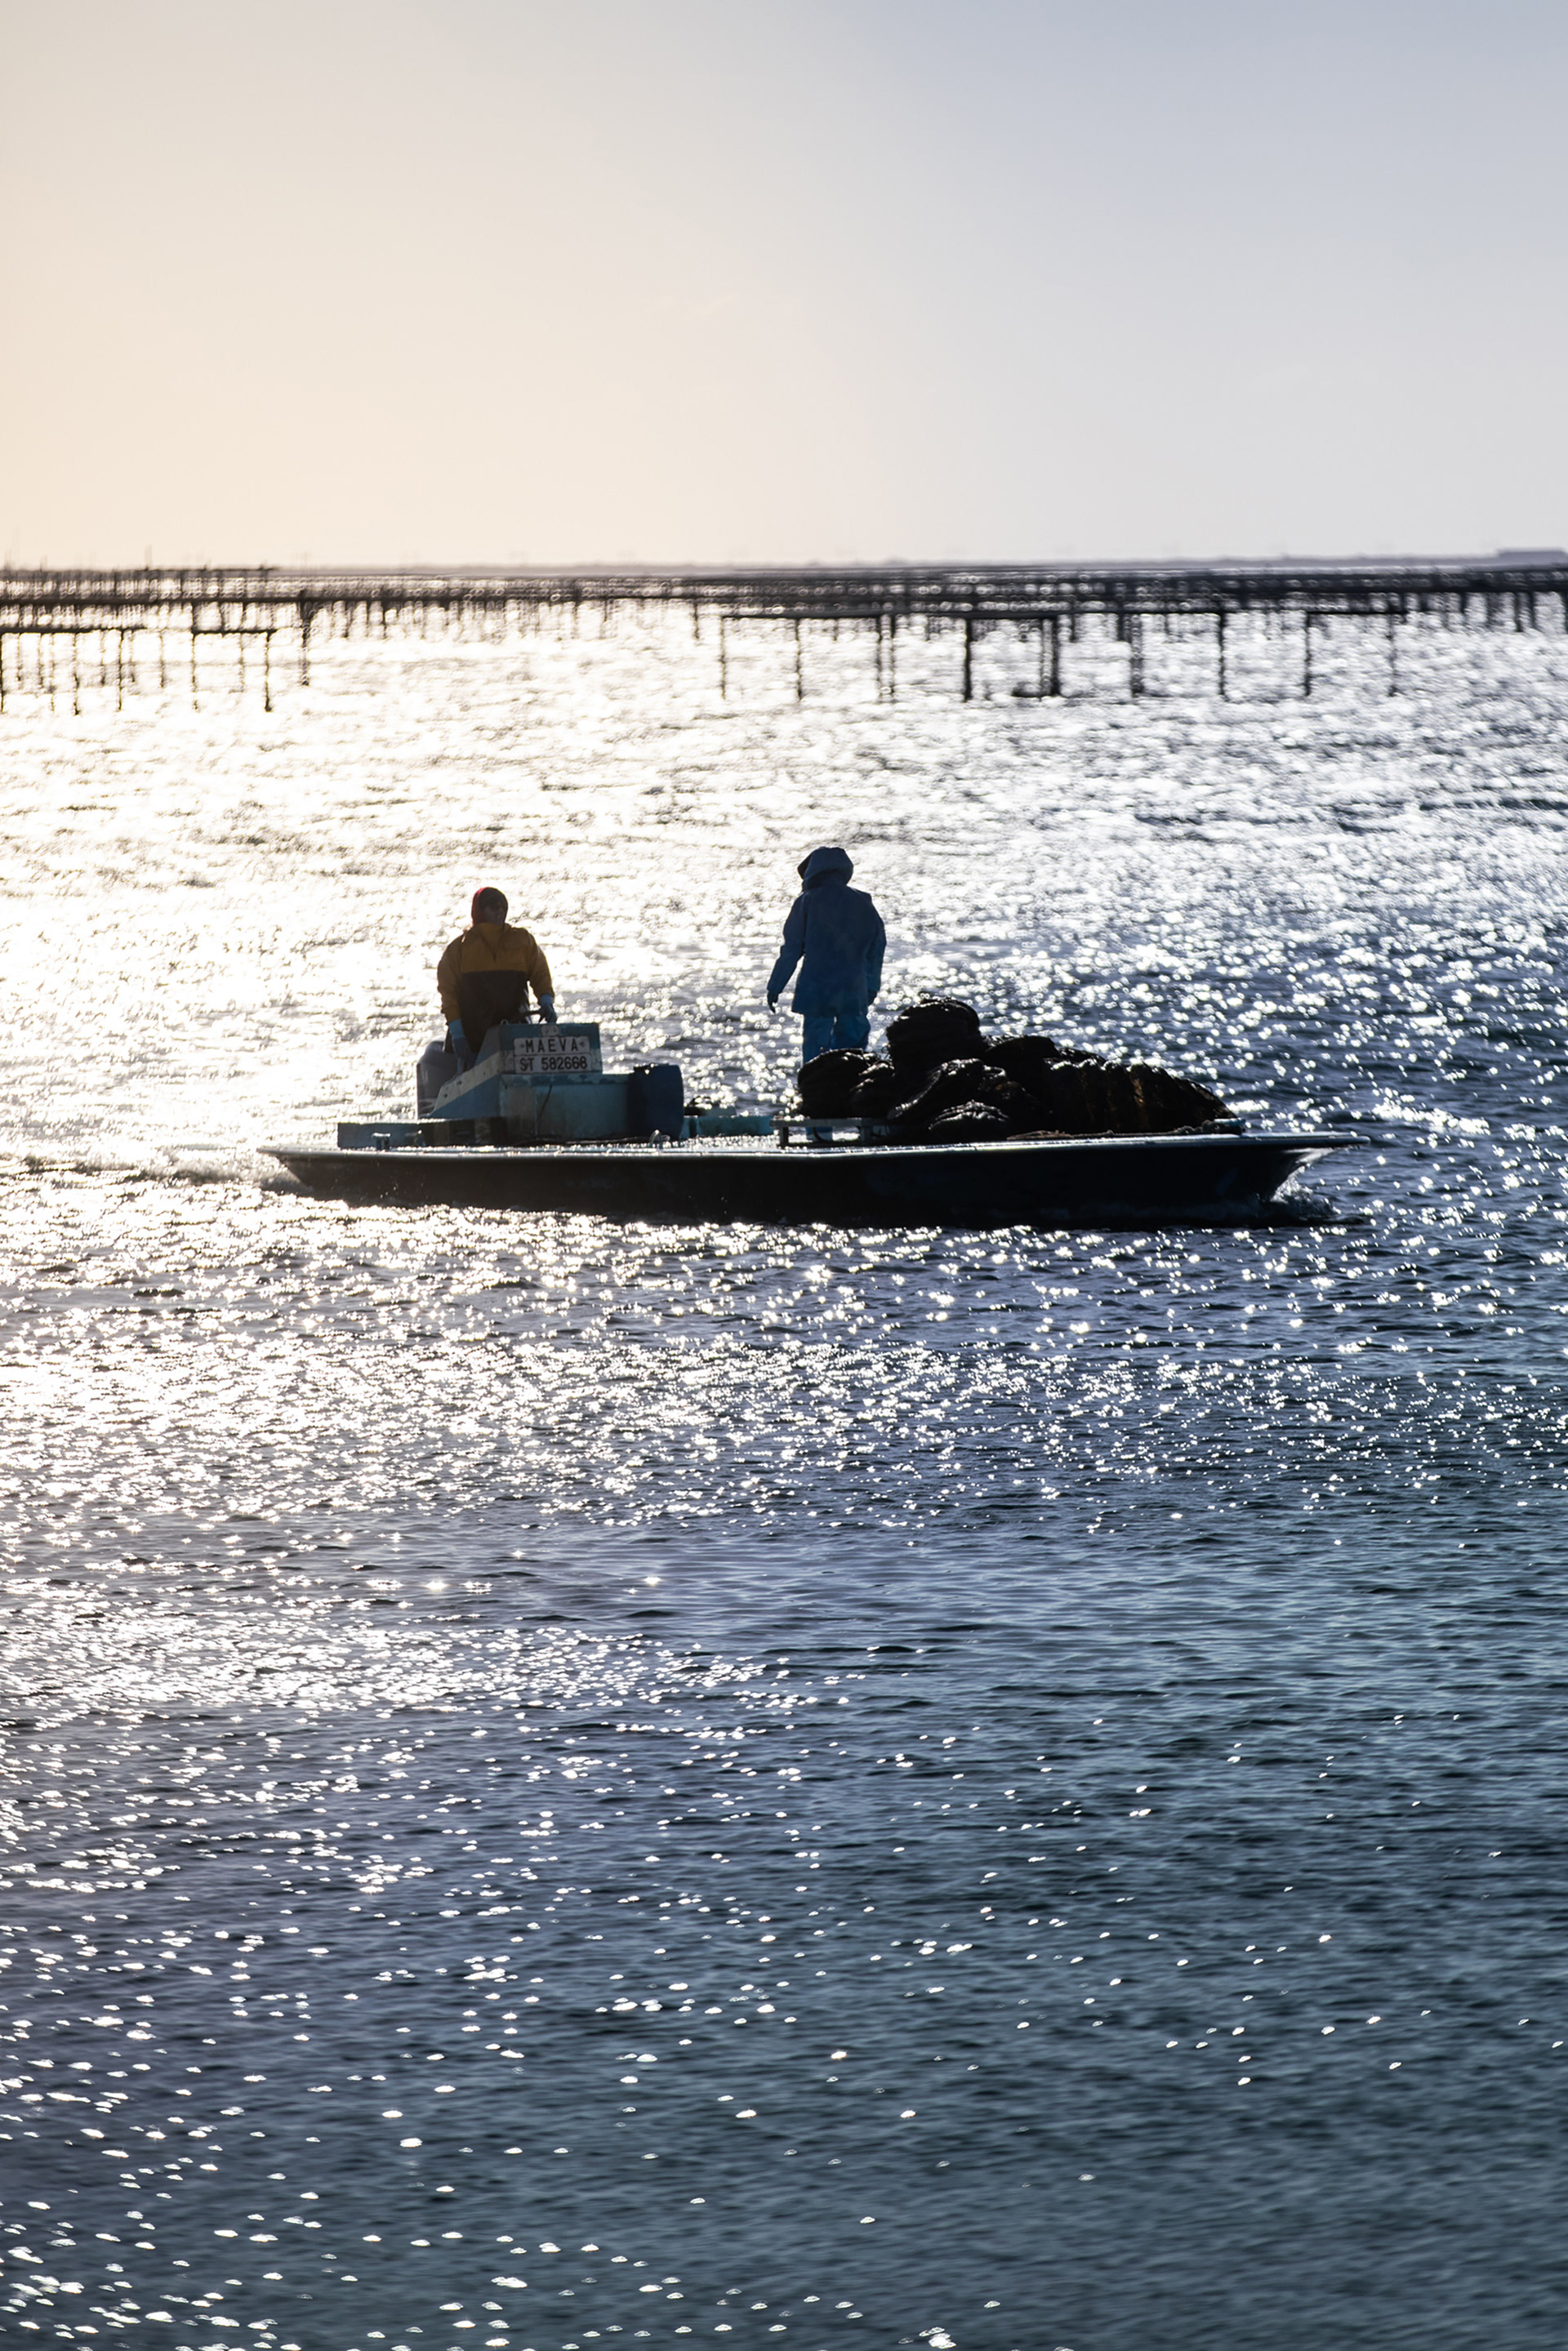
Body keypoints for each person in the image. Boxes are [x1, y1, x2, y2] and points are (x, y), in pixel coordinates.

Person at [766, 845, 886, 1062]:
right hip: (854, 988)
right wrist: (872, 986)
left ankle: (814, 1090)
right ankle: (853, 1086)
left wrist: (775, 986)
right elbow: (876, 949)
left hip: (817, 989)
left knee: (815, 1050)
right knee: (853, 1049)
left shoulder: (807, 901)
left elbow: (791, 950)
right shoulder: (863, 901)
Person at [437, 887, 557, 1060]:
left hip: (517, 1034)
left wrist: (546, 1001)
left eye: (503, 907)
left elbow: (540, 974)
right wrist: (457, 1032)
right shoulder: (459, 949)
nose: (499, 911)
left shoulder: (522, 940)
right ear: (479, 911)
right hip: (474, 1039)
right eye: (493, 907)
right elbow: (448, 993)